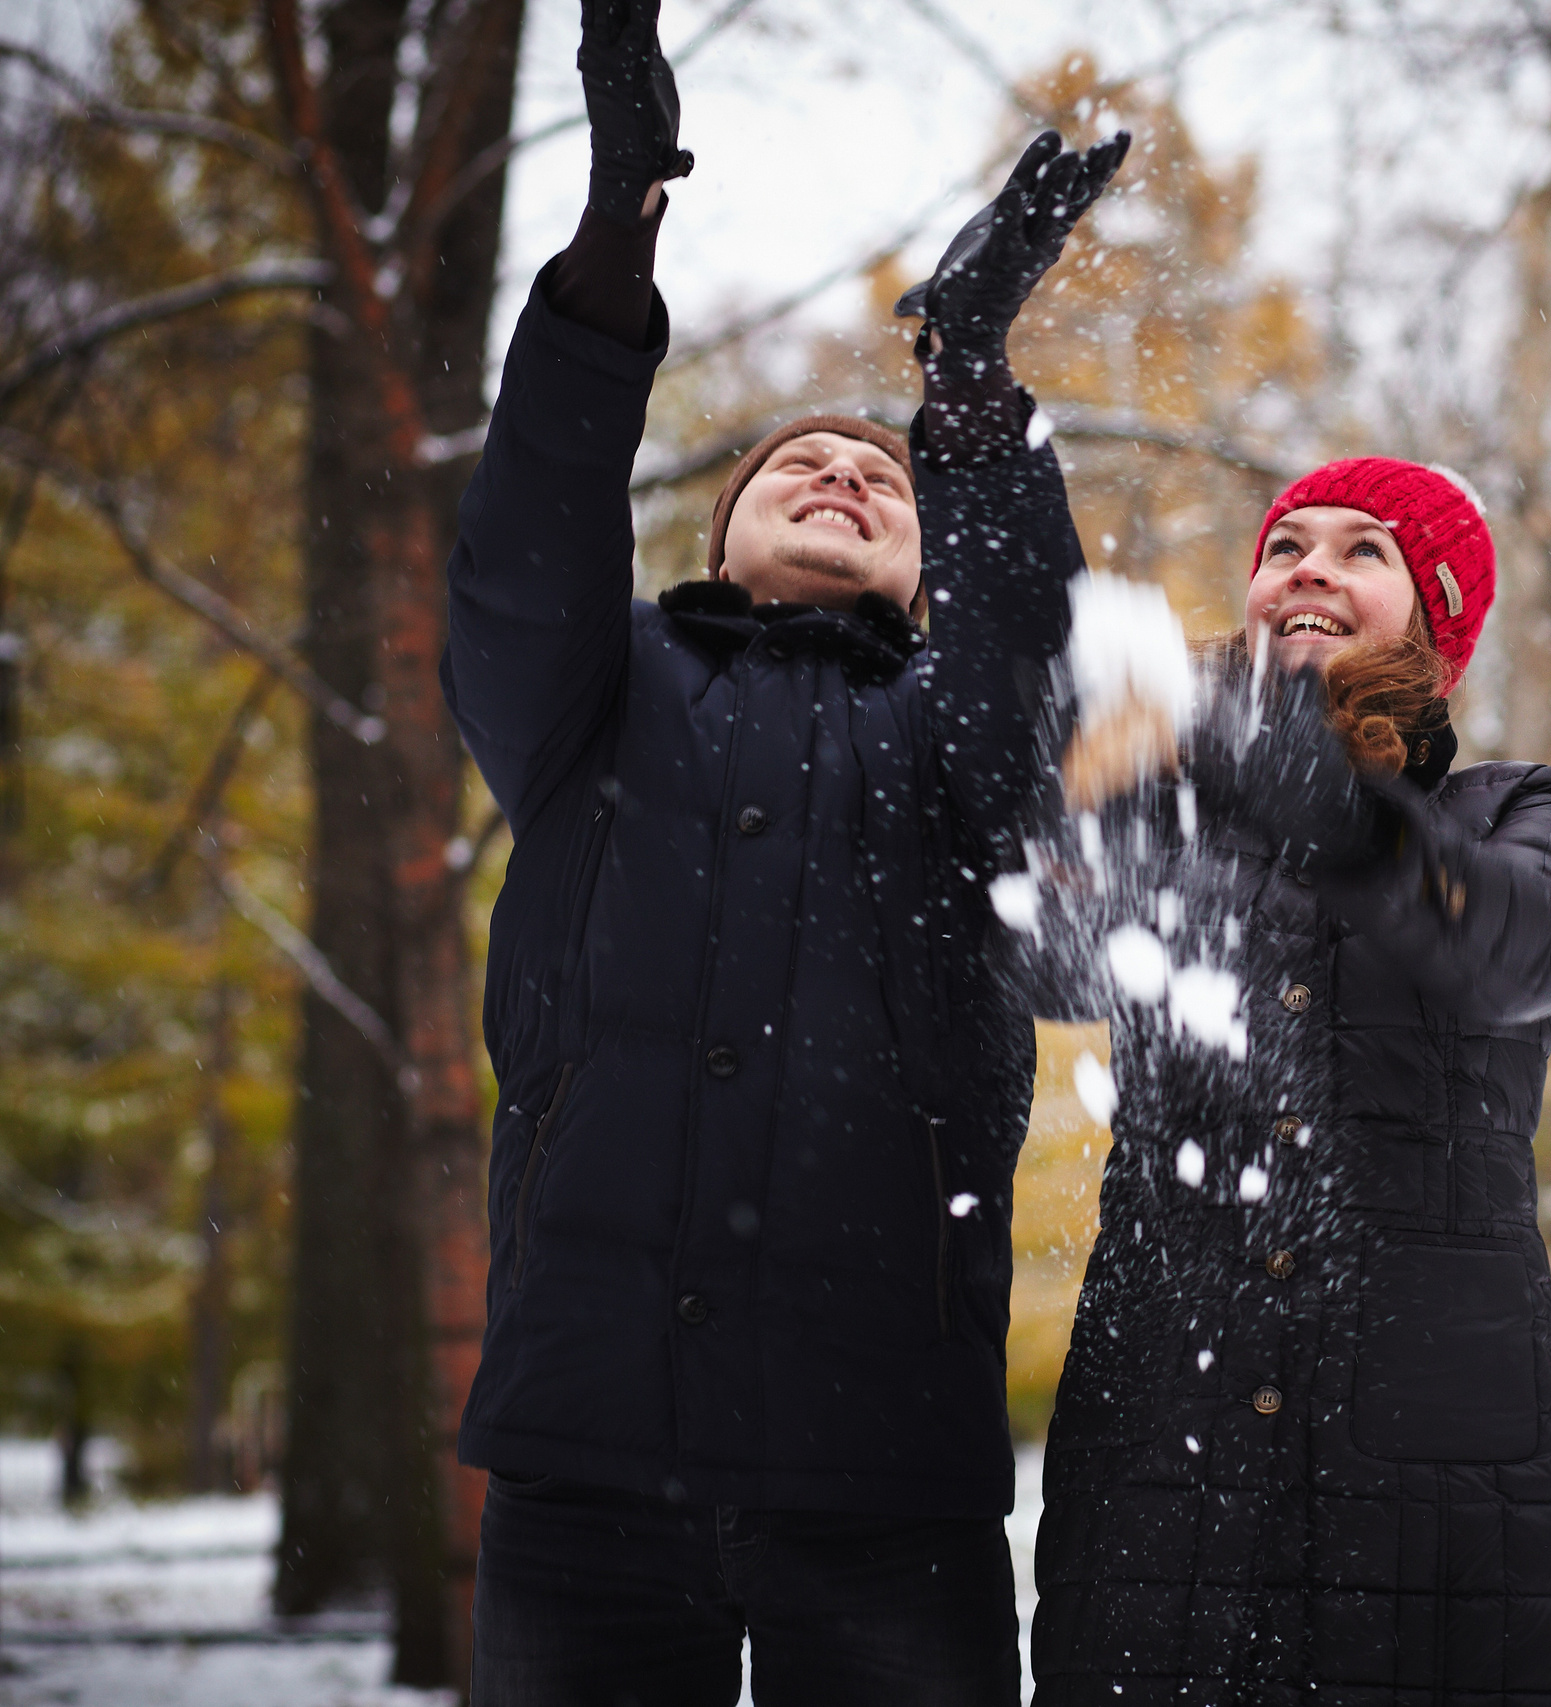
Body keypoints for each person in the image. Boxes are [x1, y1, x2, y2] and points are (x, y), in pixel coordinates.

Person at [439, 2, 1125, 1700]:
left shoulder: (965, 737)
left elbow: (1024, 661)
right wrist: (617, 229)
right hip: (587, 1455)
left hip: (887, 1468)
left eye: (877, 476)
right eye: (795, 465)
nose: (837, 472)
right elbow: (524, 547)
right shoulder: (593, 695)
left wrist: (968, 374)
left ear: (927, 560)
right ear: (722, 533)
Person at [1011, 458, 1551, 1703]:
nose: (1308, 571)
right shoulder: (1158, 804)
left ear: (1438, 620)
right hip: (1166, 1449)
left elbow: (1516, 948)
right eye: (1284, 547)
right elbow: (1032, 959)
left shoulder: (1515, 811)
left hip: (1447, 1481)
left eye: (1362, 550)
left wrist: (1318, 786)